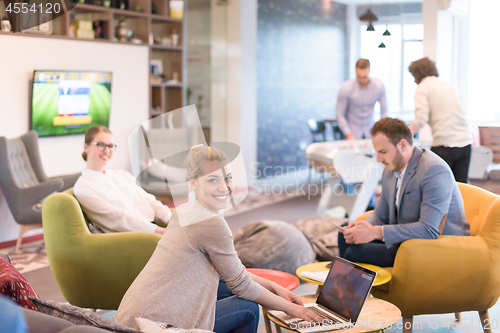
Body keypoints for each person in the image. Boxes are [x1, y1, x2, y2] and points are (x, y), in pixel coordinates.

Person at [115, 145, 322, 332]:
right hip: (153, 326)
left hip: (130, 316)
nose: (224, 187)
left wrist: (274, 287)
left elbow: (232, 273)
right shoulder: (212, 224)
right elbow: (242, 285)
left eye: (228, 178)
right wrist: (290, 308)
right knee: (248, 307)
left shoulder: (183, 211)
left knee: (223, 286)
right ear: (193, 183)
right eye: (213, 180)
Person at [337, 118, 470, 267]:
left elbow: (429, 230)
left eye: (383, 152)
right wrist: (362, 228)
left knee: (354, 253)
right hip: (407, 240)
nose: (379, 159)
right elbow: (381, 214)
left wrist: (375, 232)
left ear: (402, 145)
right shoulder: (391, 168)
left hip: (435, 246)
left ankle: (347, 288)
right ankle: (348, 288)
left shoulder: (434, 170)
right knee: (344, 236)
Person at [74, 125, 171, 235]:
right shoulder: (83, 187)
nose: (107, 151)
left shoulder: (122, 175)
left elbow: (148, 199)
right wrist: (159, 231)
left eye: (110, 146)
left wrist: (172, 220)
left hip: (152, 227)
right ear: (86, 147)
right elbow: (118, 218)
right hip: (134, 236)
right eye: (100, 144)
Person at [408, 57, 472, 183]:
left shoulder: (422, 88)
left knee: (439, 187)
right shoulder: (451, 86)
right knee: (462, 190)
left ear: (416, 74)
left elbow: (421, 118)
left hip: (445, 146)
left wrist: (404, 135)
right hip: (465, 144)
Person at [336, 59, 387, 140]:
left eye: (364, 77)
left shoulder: (379, 86)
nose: (362, 80)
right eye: (359, 77)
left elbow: (384, 111)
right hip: (352, 131)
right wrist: (347, 133)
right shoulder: (346, 88)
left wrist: (381, 131)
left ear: (369, 71)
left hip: (370, 131)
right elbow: (339, 114)